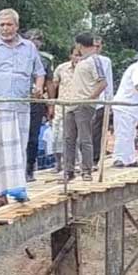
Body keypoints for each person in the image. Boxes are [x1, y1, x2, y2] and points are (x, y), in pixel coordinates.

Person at [0, 8, 46, 207]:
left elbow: (40, 72)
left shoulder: (29, 48)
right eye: (2, 25)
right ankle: (1, 194)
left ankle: (19, 190)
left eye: (9, 24)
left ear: (17, 26)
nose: (5, 29)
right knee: (0, 150)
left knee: (19, 148)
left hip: (21, 105)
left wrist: (39, 88)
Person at [59, 34, 107, 180]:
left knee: (84, 138)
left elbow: (103, 83)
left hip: (84, 105)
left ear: (79, 45)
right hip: (71, 104)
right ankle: (69, 170)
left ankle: (86, 170)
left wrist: (90, 98)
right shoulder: (81, 61)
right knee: (69, 138)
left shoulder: (94, 60)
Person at [22, 29, 53, 182]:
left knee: (33, 137)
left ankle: (29, 168)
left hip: (36, 101)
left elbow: (49, 82)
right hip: (18, 100)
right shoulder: (18, 56)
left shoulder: (45, 60)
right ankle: (17, 168)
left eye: (38, 40)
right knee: (17, 135)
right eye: (31, 39)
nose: (35, 43)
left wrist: (51, 104)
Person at [90, 36, 115, 155]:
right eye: (94, 46)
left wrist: (110, 101)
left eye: (98, 46)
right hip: (86, 98)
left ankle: (97, 154)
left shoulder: (105, 61)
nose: (96, 49)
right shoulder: (84, 60)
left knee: (99, 129)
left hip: (101, 100)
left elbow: (108, 81)